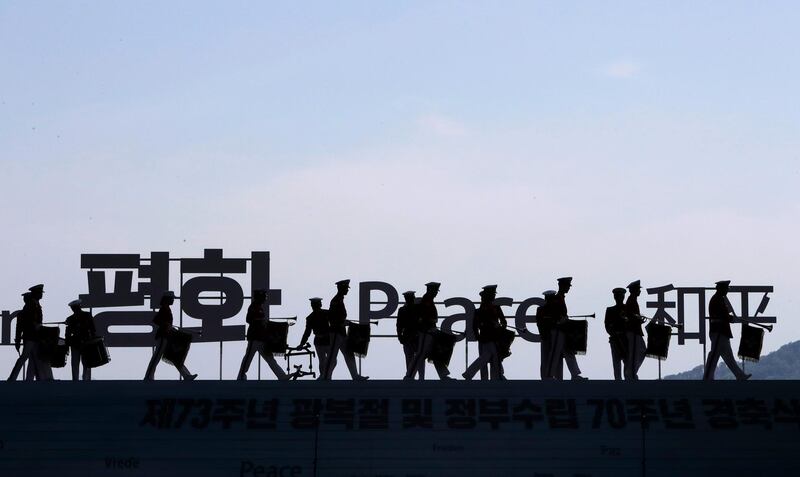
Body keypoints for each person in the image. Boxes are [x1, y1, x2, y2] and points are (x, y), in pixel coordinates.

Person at [404, 282, 454, 381]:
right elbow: (424, 317)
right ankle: (409, 376)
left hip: (430, 330)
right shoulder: (427, 300)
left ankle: (443, 375)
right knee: (421, 353)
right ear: (430, 290)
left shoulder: (428, 300)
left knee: (436, 353)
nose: (436, 293)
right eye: (435, 291)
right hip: (426, 331)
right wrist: (430, 321)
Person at [144, 291, 197, 381]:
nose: (173, 300)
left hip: (167, 337)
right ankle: (148, 376)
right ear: (167, 299)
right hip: (163, 337)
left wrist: (169, 326)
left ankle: (186, 375)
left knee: (174, 357)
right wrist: (165, 324)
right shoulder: (164, 309)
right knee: (157, 357)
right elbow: (156, 320)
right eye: (171, 299)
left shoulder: (167, 309)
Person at [703, 280, 750, 381]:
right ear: (721, 289)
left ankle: (740, 375)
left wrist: (731, 319)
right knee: (714, 354)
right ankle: (707, 377)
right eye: (726, 288)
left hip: (722, 332)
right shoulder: (717, 299)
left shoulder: (719, 299)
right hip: (719, 331)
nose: (727, 290)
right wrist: (732, 319)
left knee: (728, 357)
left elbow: (724, 315)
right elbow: (722, 315)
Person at [237, 289, 288, 380]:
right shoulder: (254, 306)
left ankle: (282, 376)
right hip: (254, 337)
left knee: (270, 359)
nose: (265, 298)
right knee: (248, 358)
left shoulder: (259, 307)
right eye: (264, 296)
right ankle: (241, 376)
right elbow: (248, 319)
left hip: (261, 338)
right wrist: (260, 320)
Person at [323, 280, 367, 380]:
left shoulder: (339, 300)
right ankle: (325, 377)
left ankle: (355, 376)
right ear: (341, 288)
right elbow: (332, 318)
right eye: (346, 288)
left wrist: (344, 322)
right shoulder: (336, 300)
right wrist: (343, 322)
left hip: (341, 332)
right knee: (332, 356)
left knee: (349, 354)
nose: (347, 290)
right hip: (336, 332)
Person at [463, 285, 506, 380]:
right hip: (487, 337)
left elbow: (504, 322)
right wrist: (478, 336)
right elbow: (475, 325)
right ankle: (497, 376)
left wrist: (499, 328)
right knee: (493, 356)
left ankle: (471, 374)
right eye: (492, 294)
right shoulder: (480, 311)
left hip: (491, 337)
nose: (494, 296)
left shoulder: (494, 308)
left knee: (487, 357)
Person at [548, 277, 587, 380]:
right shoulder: (556, 299)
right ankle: (549, 376)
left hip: (563, 329)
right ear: (562, 286)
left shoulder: (560, 298)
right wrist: (561, 320)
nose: (568, 288)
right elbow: (553, 315)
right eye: (567, 286)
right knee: (555, 353)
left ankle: (575, 374)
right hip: (557, 329)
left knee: (569, 351)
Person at [8, 286, 46, 381]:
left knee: (35, 358)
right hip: (30, 336)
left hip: (34, 336)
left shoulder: (35, 305)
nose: (41, 294)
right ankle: (13, 378)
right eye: (40, 293)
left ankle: (38, 378)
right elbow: (27, 323)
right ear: (36, 294)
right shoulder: (30, 306)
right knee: (25, 357)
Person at [296, 297, 330, 379]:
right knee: (326, 360)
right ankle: (324, 375)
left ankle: (324, 375)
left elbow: (307, 332)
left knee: (326, 360)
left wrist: (301, 344)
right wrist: (301, 343)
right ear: (320, 304)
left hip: (325, 339)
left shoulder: (311, 317)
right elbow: (307, 332)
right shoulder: (325, 313)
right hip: (323, 340)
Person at [64, 299, 97, 381]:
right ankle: (79, 380)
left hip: (85, 343)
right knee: (78, 363)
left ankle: (82, 379)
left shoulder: (83, 316)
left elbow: (92, 329)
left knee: (86, 363)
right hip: (78, 343)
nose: (74, 309)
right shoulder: (73, 318)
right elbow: (68, 334)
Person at [623, 280, 647, 380]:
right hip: (633, 331)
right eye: (638, 289)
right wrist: (638, 320)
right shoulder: (631, 300)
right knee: (634, 353)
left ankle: (632, 373)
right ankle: (631, 374)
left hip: (635, 330)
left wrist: (639, 319)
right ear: (634, 290)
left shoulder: (632, 300)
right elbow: (629, 316)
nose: (640, 291)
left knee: (640, 351)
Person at [604, 288, 628, 381]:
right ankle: (618, 379)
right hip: (614, 338)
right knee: (616, 360)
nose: (619, 298)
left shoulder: (627, 308)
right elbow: (607, 325)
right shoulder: (610, 310)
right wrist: (614, 333)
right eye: (617, 296)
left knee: (627, 360)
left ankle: (627, 378)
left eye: (621, 296)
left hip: (625, 338)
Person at [396, 291, 419, 376]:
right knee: (411, 357)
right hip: (409, 336)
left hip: (413, 336)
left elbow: (398, 325)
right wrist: (400, 337)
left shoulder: (404, 310)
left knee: (412, 357)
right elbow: (399, 325)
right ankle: (411, 375)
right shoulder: (404, 310)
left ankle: (411, 375)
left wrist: (400, 336)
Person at [536, 290, 557, 380]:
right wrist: (543, 333)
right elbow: (539, 323)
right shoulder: (541, 309)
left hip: (553, 335)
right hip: (545, 334)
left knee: (550, 356)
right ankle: (545, 376)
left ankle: (549, 375)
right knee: (545, 356)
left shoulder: (554, 309)